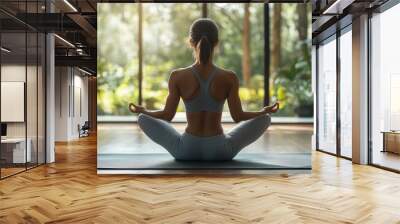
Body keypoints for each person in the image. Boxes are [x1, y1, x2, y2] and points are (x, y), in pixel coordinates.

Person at [129, 18, 279, 161]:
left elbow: (167, 115)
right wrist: (263, 111)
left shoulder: (177, 76)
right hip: (221, 151)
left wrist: (144, 110)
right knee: (265, 118)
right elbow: (238, 116)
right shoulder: (229, 77)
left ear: (190, 42)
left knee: (142, 118)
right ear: (217, 43)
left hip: (185, 150)